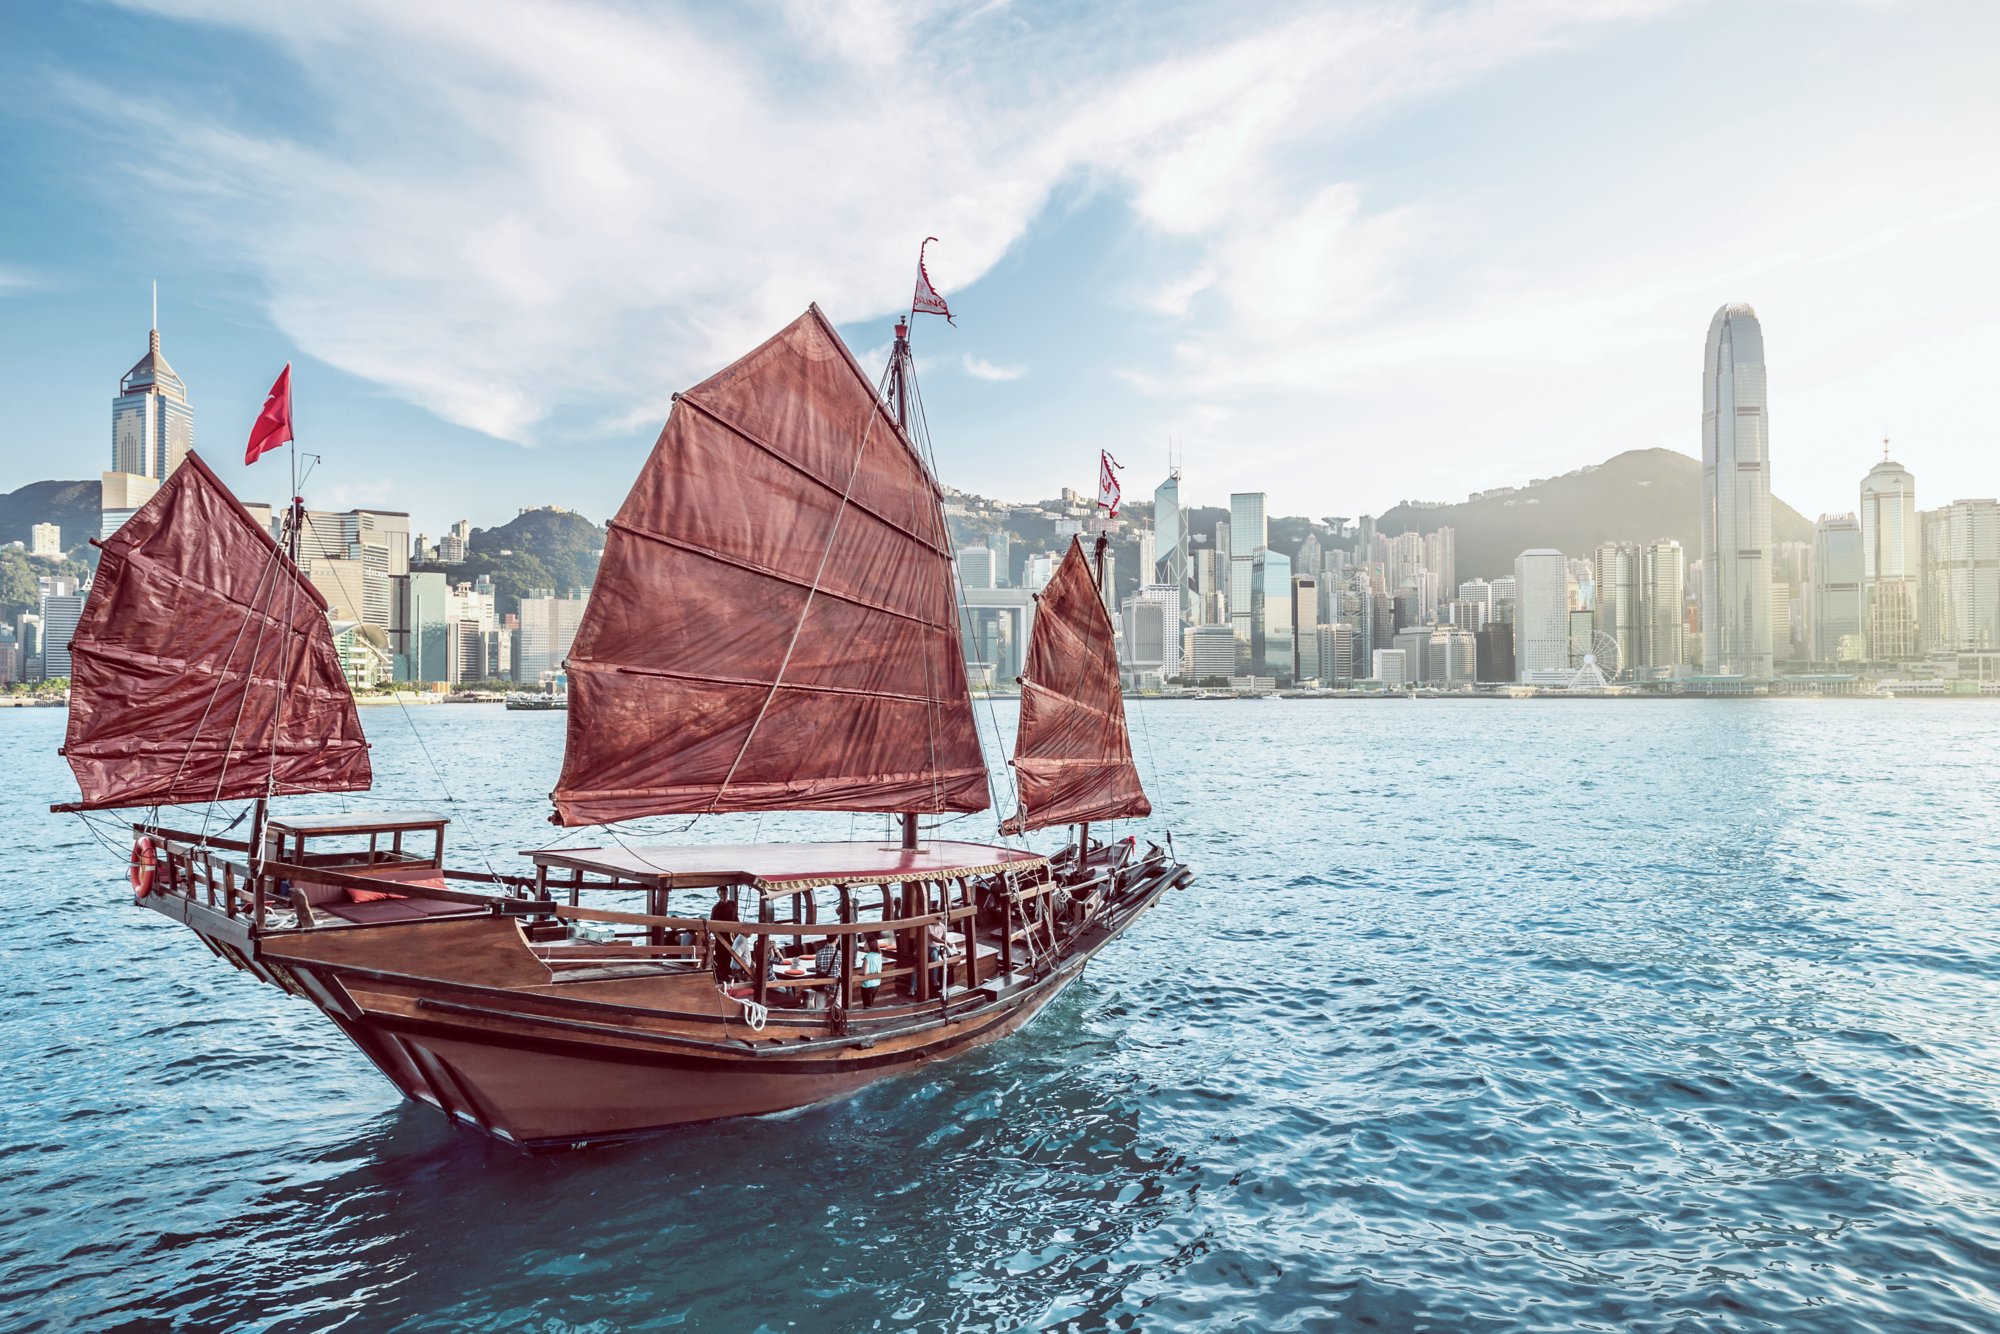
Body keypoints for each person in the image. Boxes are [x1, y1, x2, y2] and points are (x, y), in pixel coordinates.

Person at [708, 888, 740, 984]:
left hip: (732, 935)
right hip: (721, 936)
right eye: (720, 894)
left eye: (724, 893)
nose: (722, 896)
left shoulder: (733, 904)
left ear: (727, 893)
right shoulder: (716, 908)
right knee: (721, 955)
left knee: (733, 953)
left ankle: (731, 973)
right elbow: (712, 923)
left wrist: (738, 931)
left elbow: (736, 918)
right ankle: (723, 975)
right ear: (718, 895)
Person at [858, 932, 884, 1008]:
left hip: (867, 985)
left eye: (865, 943)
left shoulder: (867, 957)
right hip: (876, 983)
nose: (864, 945)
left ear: (869, 945)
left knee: (866, 1005)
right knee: (870, 1004)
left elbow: (864, 972)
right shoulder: (879, 954)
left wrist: (859, 973)